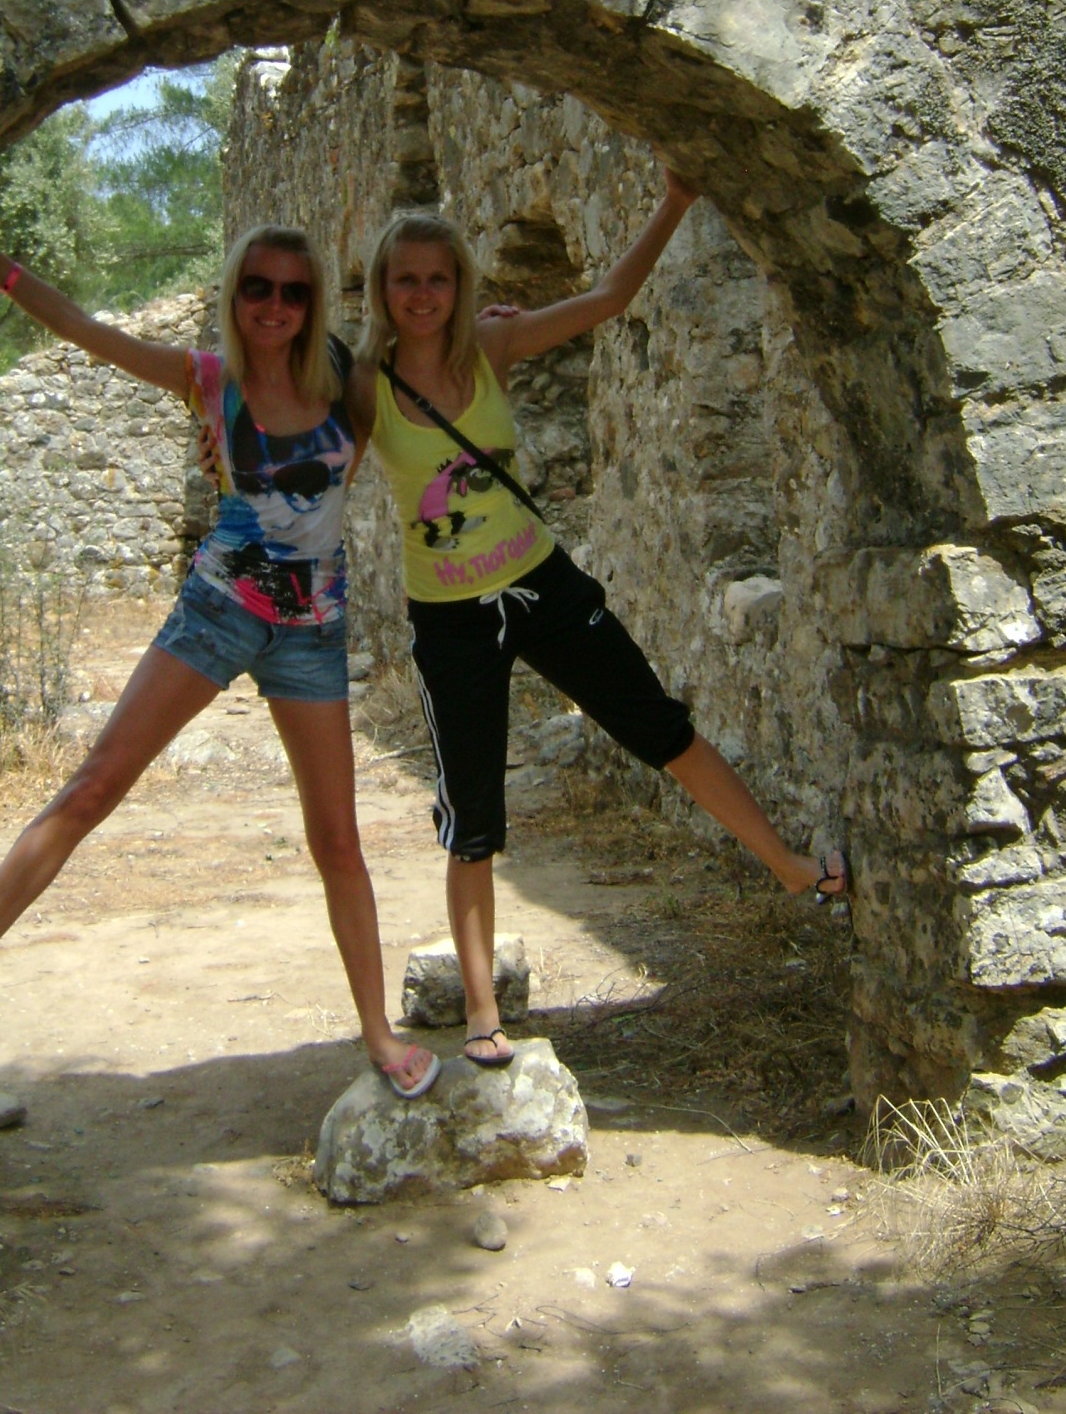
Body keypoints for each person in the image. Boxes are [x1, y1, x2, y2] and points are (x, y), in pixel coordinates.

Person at [0, 211, 438, 1098]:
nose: (274, 305)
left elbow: (438, 357)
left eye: (293, 291)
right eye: (257, 287)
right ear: (235, 294)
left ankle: (380, 1036)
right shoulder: (209, 380)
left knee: (338, 839)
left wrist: (492, 327)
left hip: (312, 630)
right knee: (95, 784)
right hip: (216, 611)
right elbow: (81, 327)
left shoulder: (351, 381)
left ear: (312, 302)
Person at [361, 178, 846, 1068]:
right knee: (472, 815)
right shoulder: (367, 385)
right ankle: (482, 1014)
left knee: (657, 725)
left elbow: (611, 299)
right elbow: (311, 458)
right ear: (381, 290)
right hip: (450, 622)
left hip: (540, 584)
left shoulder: (493, 344)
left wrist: (676, 199)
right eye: (405, 279)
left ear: (459, 284)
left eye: (437, 277)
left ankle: (788, 866)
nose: (422, 294)